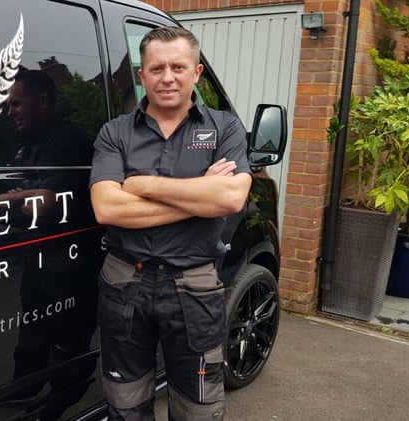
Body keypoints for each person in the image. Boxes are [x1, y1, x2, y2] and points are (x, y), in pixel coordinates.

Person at [88, 26, 251, 421]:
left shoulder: (225, 129)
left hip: (194, 286)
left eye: (178, 66)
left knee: (199, 406)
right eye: (156, 68)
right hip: (125, 282)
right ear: (141, 76)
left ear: (196, 72)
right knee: (125, 404)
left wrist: (142, 184)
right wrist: (201, 197)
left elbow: (230, 198)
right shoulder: (115, 133)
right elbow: (107, 208)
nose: (167, 77)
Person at [0, 69, 100, 420]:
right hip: (38, 257)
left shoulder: (69, 141)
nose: (9, 112)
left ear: (43, 101)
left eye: (16, 104)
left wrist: (25, 194)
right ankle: (22, 392)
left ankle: (61, 403)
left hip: (70, 261)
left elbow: (44, 205)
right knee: (31, 329)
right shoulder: (27, 143)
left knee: (66, 336)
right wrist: (24, 194)